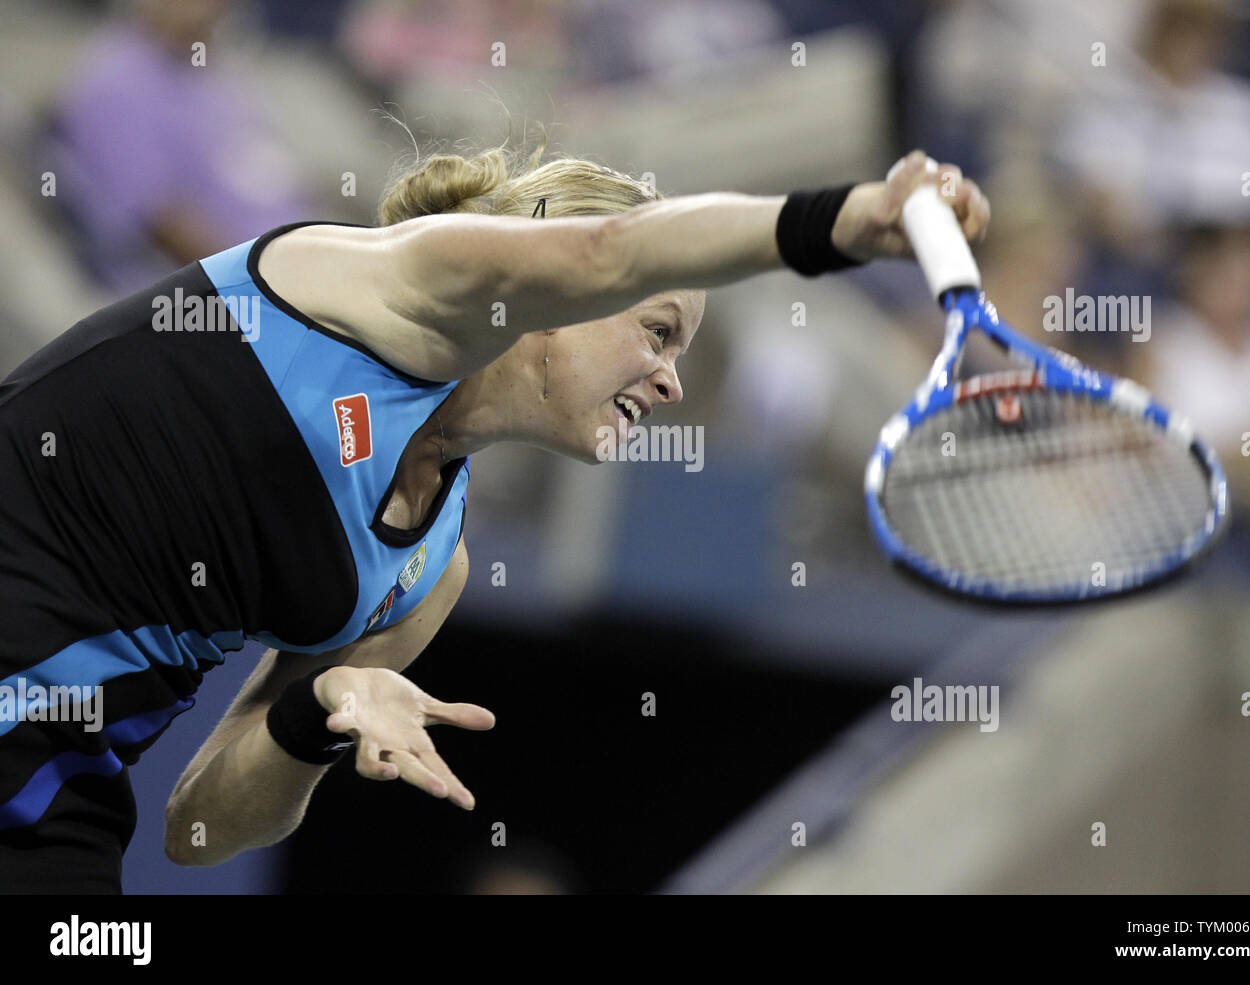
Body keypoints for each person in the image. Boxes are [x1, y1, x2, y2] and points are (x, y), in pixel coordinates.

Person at [0, 142, 989, 893]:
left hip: (55, 784)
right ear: (556, 294)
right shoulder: (394, 288)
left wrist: (322, 711)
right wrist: (849, 218)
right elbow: (612, 244)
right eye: (656, 330)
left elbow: (200, 828)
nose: (673, 379)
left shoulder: (429, 571)